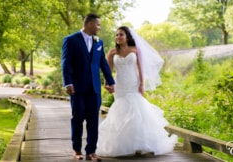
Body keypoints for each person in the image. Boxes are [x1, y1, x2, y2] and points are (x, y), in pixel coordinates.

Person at [96, 26, 178, 157]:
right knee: (121, 110)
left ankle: (140, 144)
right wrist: (107, 83)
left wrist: (141, 85)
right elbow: (108, 70)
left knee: (136, 111)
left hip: (133, 83)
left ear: (127, 37)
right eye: (116, 35)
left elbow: (140, 68)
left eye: (121, 35)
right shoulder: (112, 52)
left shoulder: (135, 50)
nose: (118, 37)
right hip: (120, 85)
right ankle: (123, 145)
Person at [61, 13, 115, 161]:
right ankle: (77, 151)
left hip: (94, 89)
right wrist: (68, 82)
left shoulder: (99, 42)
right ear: (89, 24)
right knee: (77, 119)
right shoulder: (71, 40)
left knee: (93, 121)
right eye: (98, 24)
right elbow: (66, 63)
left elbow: (102, 63)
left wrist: (111, 81)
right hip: (77, 88)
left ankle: (91, 152)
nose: (99, 27)